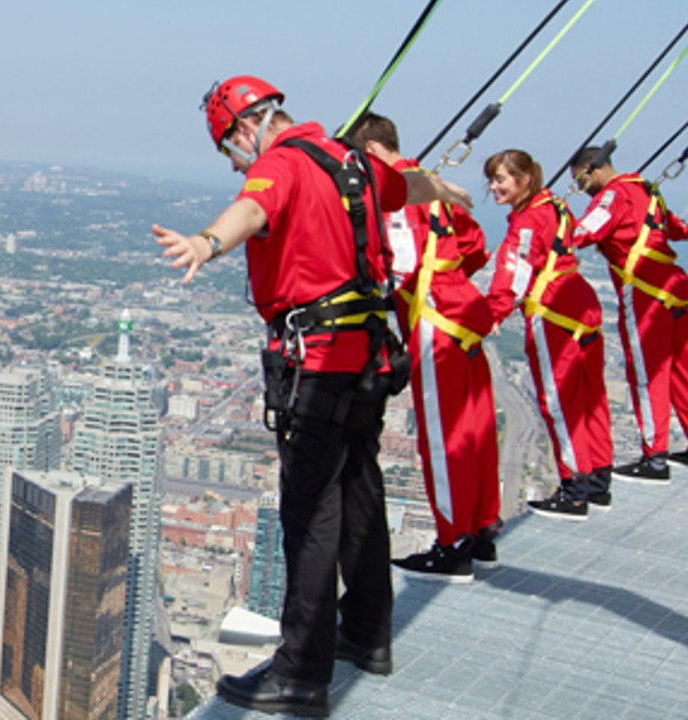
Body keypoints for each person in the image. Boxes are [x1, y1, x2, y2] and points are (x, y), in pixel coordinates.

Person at [154, 76, 472, 717]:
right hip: (369, 352)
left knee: (310, 510)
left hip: (318, 360)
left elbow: (253, 209)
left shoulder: (280, 164)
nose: (234, 160)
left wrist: (207, 243)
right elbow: (404, 187)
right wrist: (442, 188)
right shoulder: (350, 158)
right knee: (360, 486)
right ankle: (367, 632)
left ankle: (301, 673)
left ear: (246, 128)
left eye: (228, 148)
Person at [348, 113, 501, 582]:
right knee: (475, 432)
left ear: (371, 153)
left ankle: (452, 544)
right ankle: (480, 529)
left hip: (435, 323)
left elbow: (403, 264)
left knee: (444, 436)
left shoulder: (397, 195)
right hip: (463, 317)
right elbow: (475, 245)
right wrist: (452, 280)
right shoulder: (435, 186)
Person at [486, 149, 613, 518]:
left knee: (557, 400)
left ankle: (574, 487)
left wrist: (496, 309)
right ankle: (598, 479)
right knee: (591, 395)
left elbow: (515, 268)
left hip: (553, 311)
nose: (494, 187)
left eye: (501, 179)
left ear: (524, 180)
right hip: (581, 304)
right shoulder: (555, 205)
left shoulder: (525, 222)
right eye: (493, 179)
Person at [570, 147, 688, 481]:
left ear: (588, 170)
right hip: (676, 287)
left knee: (649, 373)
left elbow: (582, 234)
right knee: (682, 370)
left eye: (579, 181)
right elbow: (676, 229)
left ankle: (655, 457)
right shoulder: (647, 189)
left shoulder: (610, 197)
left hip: (645, 292)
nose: (580, 189)